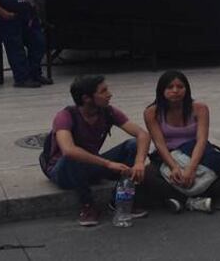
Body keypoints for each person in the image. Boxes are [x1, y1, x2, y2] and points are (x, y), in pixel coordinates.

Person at [40, 75, 151, 227]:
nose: (109, 94)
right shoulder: (65, 116)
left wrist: (139, 162)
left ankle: (118, 201)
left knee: (132, 145)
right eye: (103, 91)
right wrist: (108, 163)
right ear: (87, 98)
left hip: (92, 164)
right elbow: (68, 150)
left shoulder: (108, 112)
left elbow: (142, 134)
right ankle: (88, 206)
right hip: (63, 171)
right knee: (72, 156)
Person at [142, 70, 220, 208]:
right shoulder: (151, 112)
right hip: (168, 156)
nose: (175, 91)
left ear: (186, 89)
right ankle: (191, 202)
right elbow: (159, 143)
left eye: (180, 87)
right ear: (161, 90)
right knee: (147, 174)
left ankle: (181, 199)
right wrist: (174, 167)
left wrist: (191, 168)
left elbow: (201, 140)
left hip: (196, 154)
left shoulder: (200, 108)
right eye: (170, 87)